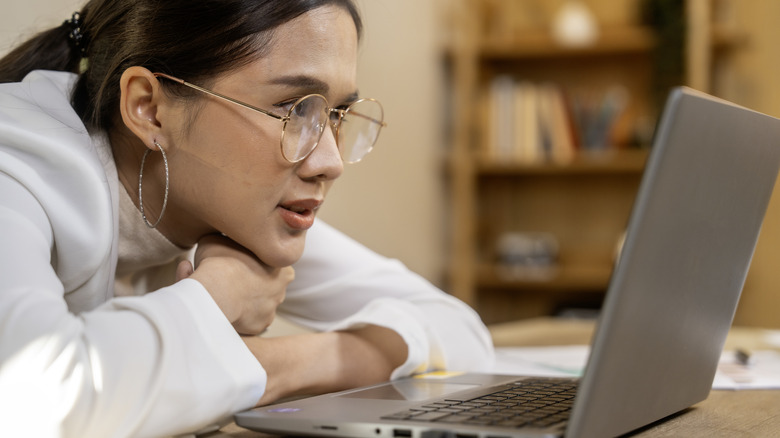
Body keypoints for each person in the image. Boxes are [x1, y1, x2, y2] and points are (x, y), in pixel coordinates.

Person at [0, 0, 494, 436]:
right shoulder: (16, 163)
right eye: (293, 108)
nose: (331, 161)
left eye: (337, 114)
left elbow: (462, 333)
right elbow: (32, 404)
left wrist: (275, 366)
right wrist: (217, 296)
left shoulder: (223, 209)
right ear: (148, 108)